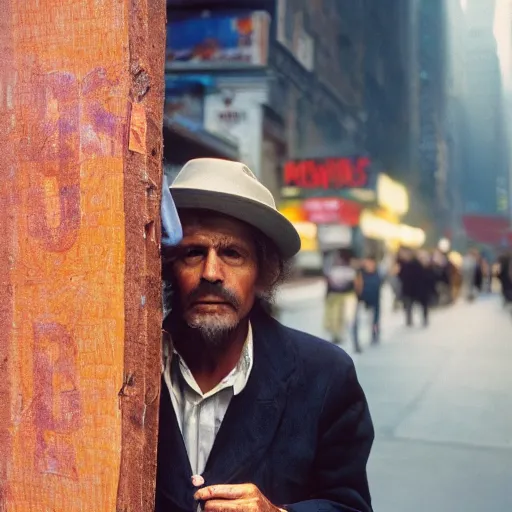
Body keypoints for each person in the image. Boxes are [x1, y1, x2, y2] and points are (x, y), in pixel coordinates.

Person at [156, 159, 374, 512]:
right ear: (167, 267)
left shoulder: (326, 376)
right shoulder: (128, 367)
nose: (211, 273)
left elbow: (349, 505)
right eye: (193, 253)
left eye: (232, 253)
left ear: (264, 273)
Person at [323, 249, 356, 344]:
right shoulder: (335, 270)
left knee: (341, 317)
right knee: (334, 317)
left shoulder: (347, 270)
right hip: (334, 296)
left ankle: (338, 335)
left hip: (342, 296)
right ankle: (336, 335)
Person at [353, 257, 382, 353]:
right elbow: (356, 287)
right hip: (362, 301)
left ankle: (374, 334)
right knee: (359, 322)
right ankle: (357, 343)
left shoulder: (377, 274)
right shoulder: (360, 274)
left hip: (374, 301)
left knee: (374, 319)